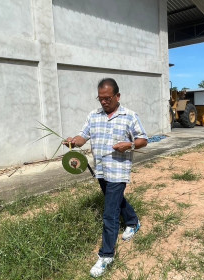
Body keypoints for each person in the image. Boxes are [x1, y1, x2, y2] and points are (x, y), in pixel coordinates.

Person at [63, 78, 148, 278]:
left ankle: (106, 256)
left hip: (118, 170)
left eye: (107, 98)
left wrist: (130, 145)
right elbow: (83, 135)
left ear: (117, 96)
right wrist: (74, 142)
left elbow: (143, 139)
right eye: (100, 98)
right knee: (116, 200)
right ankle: (133, 222)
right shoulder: (93, 116)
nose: (103, 102)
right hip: (100, 169)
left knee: (109, 213)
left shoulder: (129, 116)